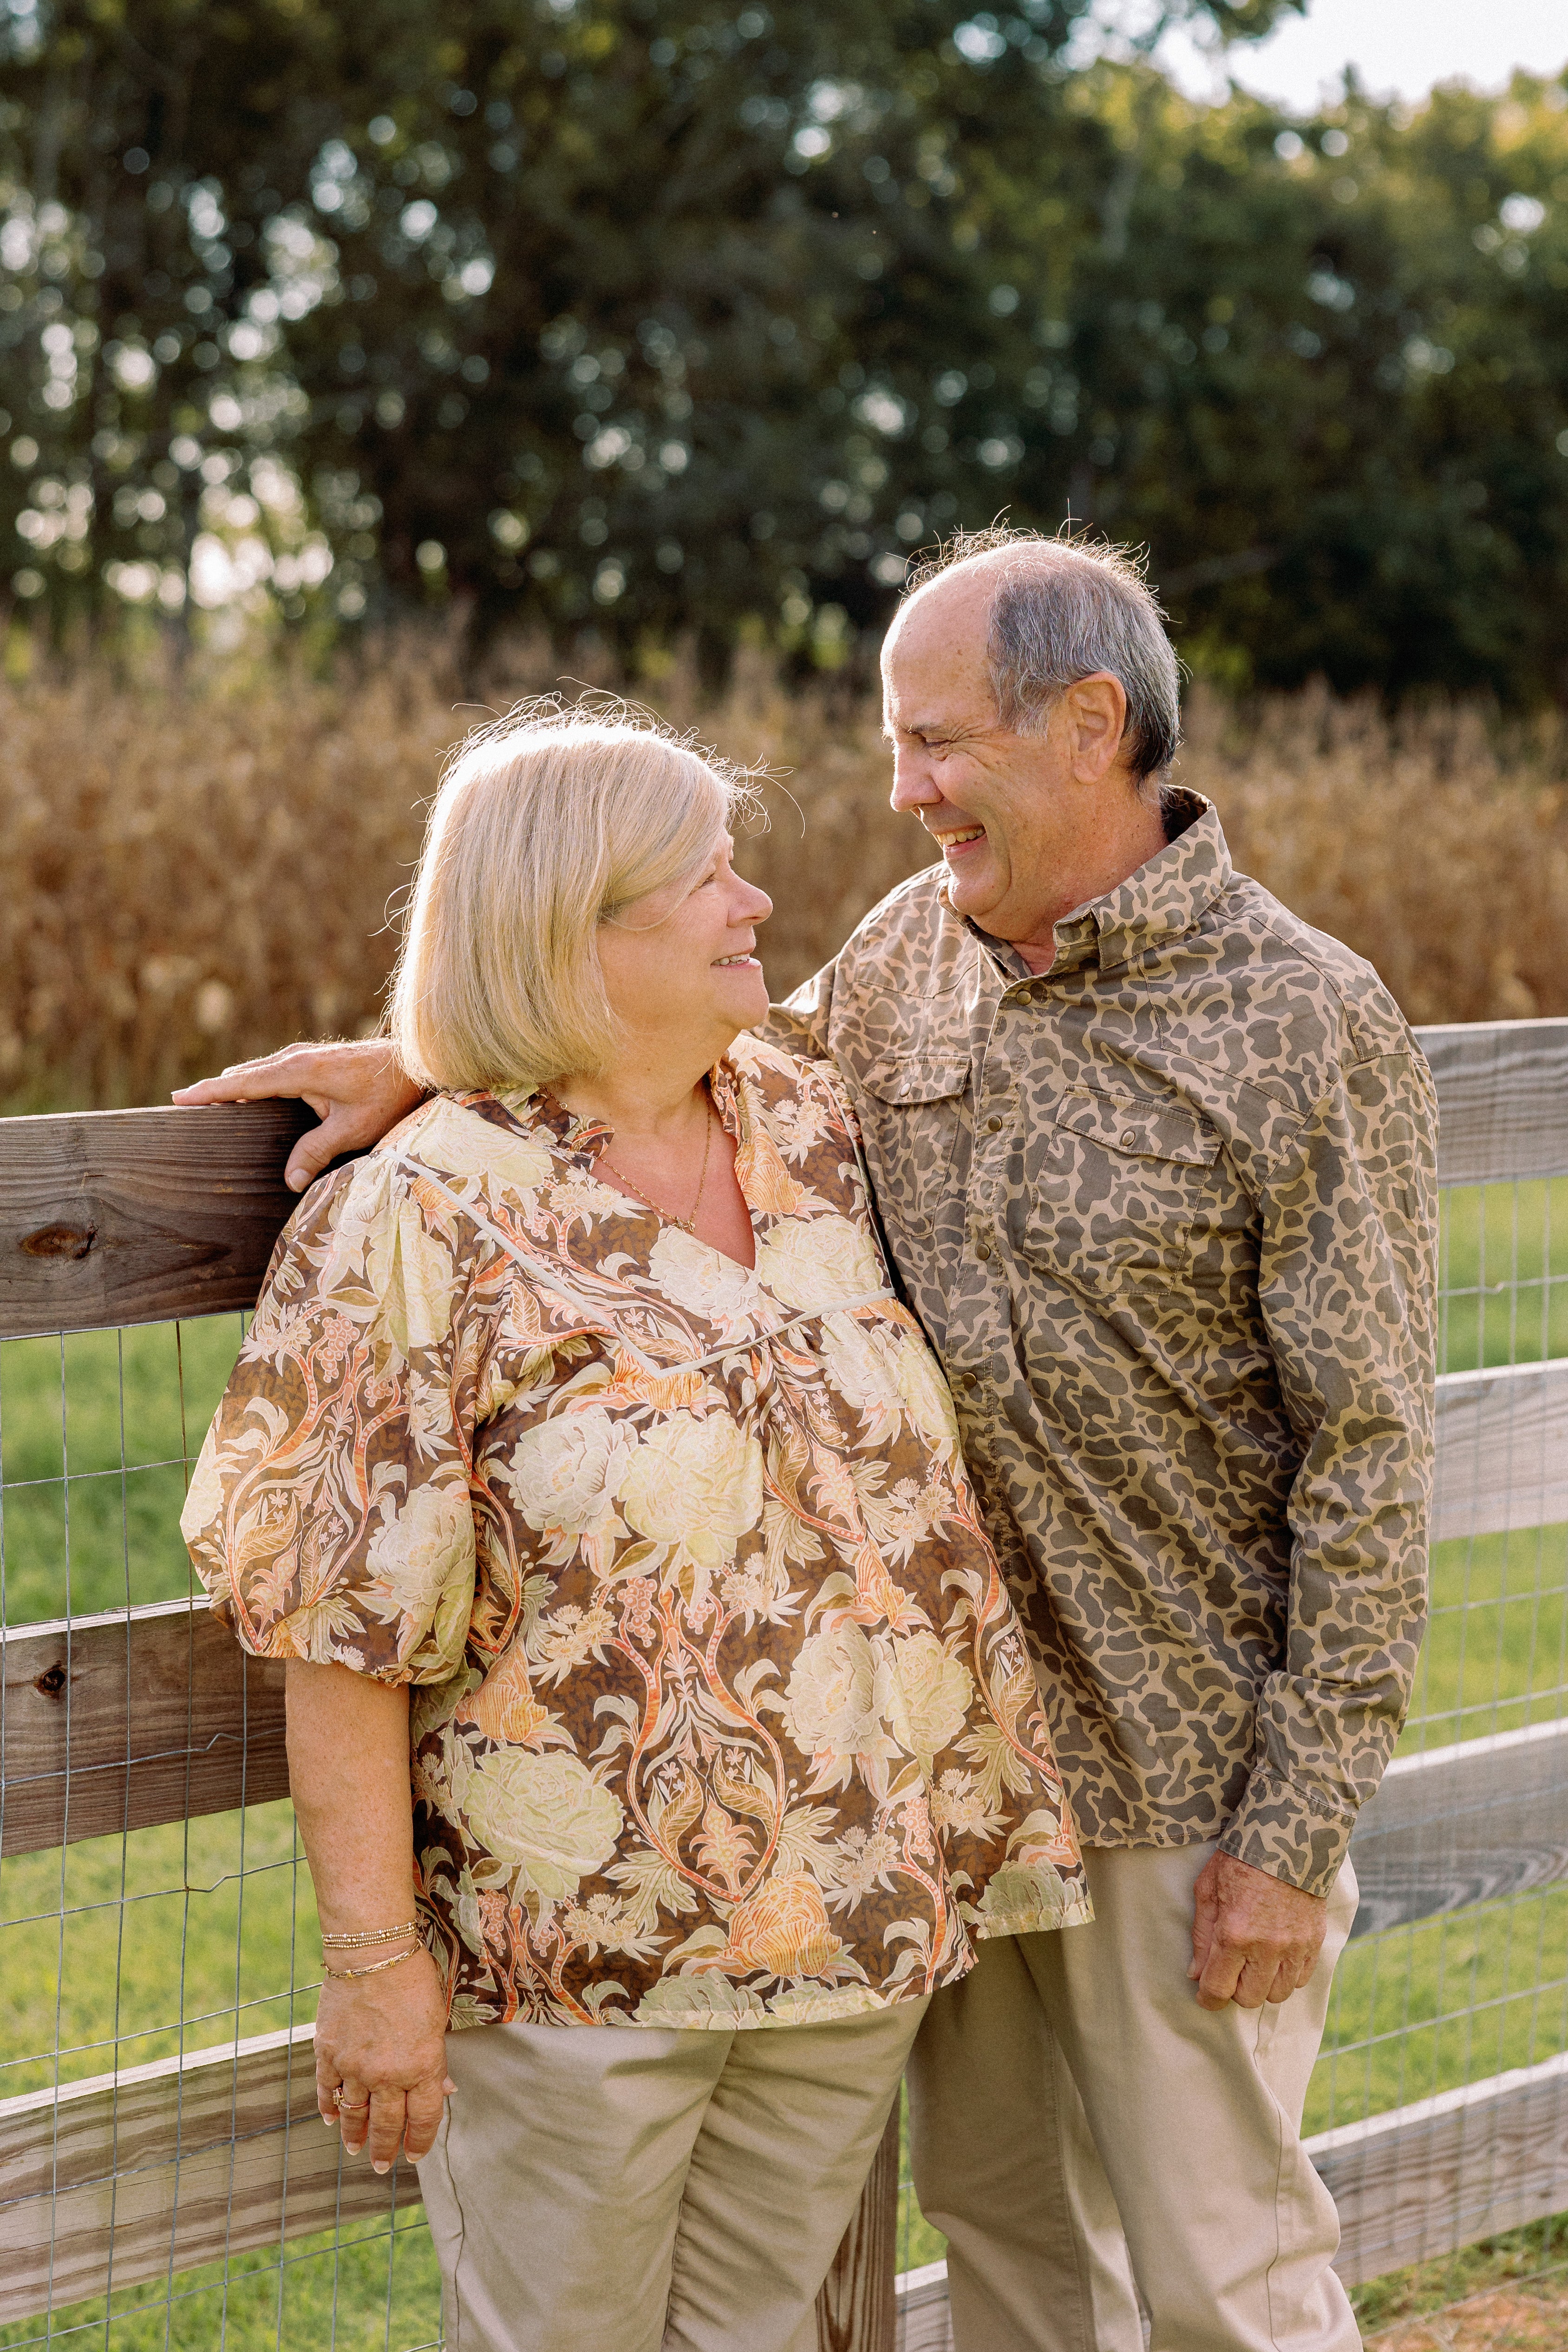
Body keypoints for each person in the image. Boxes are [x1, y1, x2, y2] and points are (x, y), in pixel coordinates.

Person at [180, 530, 1439, 2352]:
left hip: (1180, 1783)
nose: (896, 788)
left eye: (933, 742)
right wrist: (428, 1065)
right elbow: (605, 1061)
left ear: (1088, 727)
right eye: (892, 742)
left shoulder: (1296, 1023)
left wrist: (1300, 1819)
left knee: (1226, 2282)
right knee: (1018, 2272)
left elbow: (1375, 1459)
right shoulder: (893, 973)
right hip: (932, 1833)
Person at [179, 706, 1090, 2352]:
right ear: (568, 929)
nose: (755, 906)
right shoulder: (418, 1215)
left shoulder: (807, 1129)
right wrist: (374, 1964)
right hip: (579, 1973)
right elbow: (337, 1624)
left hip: (847, 1932)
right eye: (709, 879)